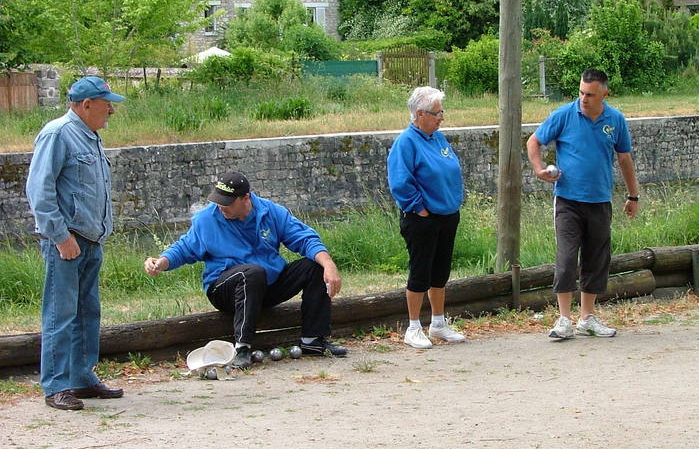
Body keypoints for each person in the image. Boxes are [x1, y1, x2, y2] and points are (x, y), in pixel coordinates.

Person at [144, 171, 347, 367]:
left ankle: (313, 340)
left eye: (227, 203)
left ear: (245, 198)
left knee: (313, 265)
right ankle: (242, 348)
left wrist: (328, 264)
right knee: (251, 272)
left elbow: (304, 238)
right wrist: (161, 262)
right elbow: (184, 248)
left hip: (265, 284)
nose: (221, 207)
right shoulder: (206, 219)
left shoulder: (271, 212)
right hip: (225, 290)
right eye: (218, 201)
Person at [26, 76, 126, 411]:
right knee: (61, 313)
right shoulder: (58, 133)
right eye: (106, 103)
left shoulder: (91, 136)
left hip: (91, 240)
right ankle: (57, 385)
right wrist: (60, 236)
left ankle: (82, 377)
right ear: (86, 105)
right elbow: (39, 191)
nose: (111, 109)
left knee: (88, 312)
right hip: (67, 242)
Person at [526, 68, 640, 341]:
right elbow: (534, 141)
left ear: (604, 94)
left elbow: (624, 159)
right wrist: (539, 168)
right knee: (566, 258)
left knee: (597, 258)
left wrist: (633, 196)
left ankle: (587, 317)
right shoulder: (565, 114)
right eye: (581, 92)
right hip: (567, 199)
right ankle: (564, 318)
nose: (584, 98)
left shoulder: (616, 119)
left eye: (590, 94)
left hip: (600, 200)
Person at [387, 86, 466, 349]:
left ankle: (439, 323)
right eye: (437, 113)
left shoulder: (439, 138)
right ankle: (412, 327)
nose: (441, 117)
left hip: (447, 215)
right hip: (423, 218)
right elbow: (400, 181)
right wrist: (419, 208)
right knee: (420, 271)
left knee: (440, 271)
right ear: (420, 114)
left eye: (442, 111)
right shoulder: (406, 142)